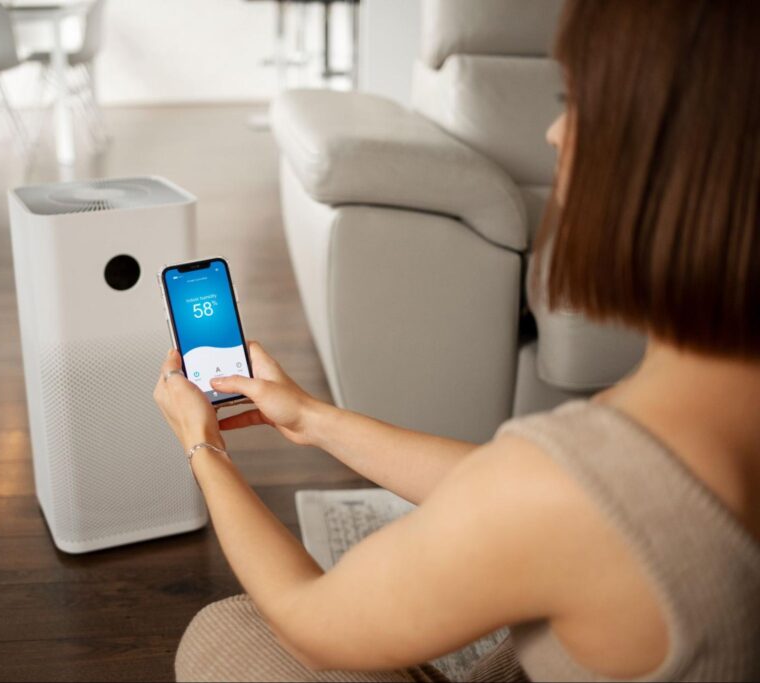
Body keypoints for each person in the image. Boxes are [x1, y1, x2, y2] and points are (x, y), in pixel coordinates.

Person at [153, 0, 760, 680]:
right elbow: (502, 491)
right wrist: (315, 419)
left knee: (224, 631)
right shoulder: (642, 438)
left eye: (580, 99)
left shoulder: (582, 485)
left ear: (675, 158)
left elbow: (311, 620)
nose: (557, 133)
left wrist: (203, 447)